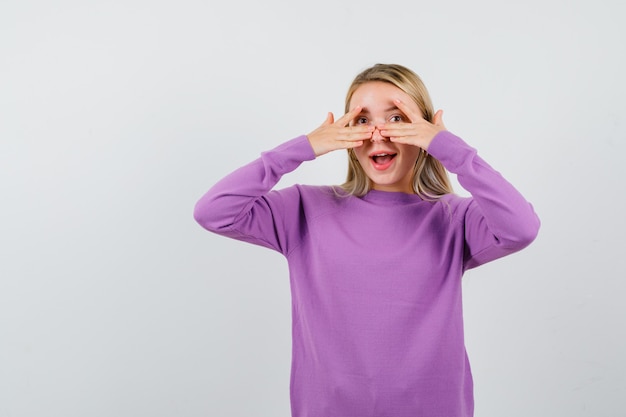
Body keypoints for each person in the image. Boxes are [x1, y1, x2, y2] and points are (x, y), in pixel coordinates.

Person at [193, 63, 540, 417]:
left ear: (423, 131)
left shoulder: (454, 218)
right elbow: (214, 211)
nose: (378, 133)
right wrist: (302, 148)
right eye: (361, 120)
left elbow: (522, 227)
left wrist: (452, 151)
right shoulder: (303, 209)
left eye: (397, 119)